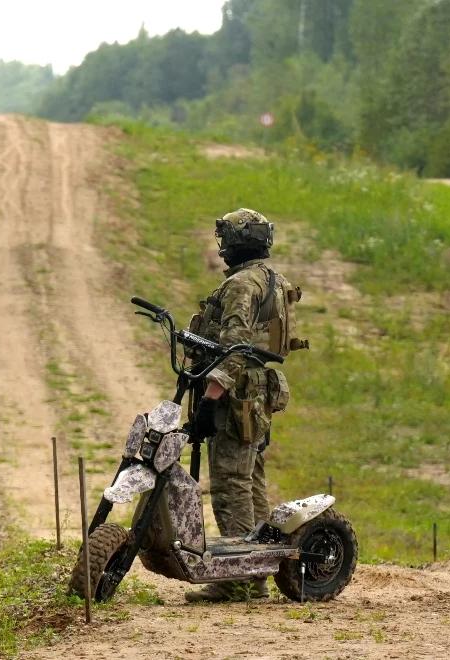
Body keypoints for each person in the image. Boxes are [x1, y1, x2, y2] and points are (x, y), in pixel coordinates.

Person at [184, 209, 300, 603]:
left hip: (236, 397)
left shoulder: (241, 284)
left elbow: (234, 347)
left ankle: (236, 579)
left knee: (232, 484)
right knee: (251, 483)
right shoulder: (273, 280)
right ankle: (256, 576)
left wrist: (210, 399)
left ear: (235, 242)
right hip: (257, 393)